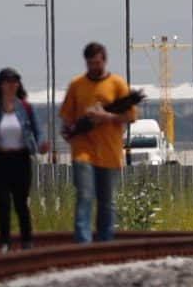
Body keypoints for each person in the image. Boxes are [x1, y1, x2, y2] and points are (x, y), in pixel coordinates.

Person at [59, 42, 137, 243]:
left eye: (97, 63)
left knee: (106, 202)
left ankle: (105, 242)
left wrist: (107, 117)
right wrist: (69, 128)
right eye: (91, 63)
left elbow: (130, 116)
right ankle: (83, 243)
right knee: (84, 196)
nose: (94, 67)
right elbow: (66, 116)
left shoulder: (117, 84)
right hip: (83, 150)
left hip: (109, 152)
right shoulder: (77, 85)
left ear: (104, 61)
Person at [0, 68, 50, 253]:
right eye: (8, 82)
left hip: (21, 160)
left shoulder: (25, 108)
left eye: (15, 82)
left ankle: (27, 241)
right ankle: (4, 242)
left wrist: (41, 144)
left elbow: (37, 131)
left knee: (20, 203)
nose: (12, 86)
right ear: (1, 85)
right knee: (3, 203)